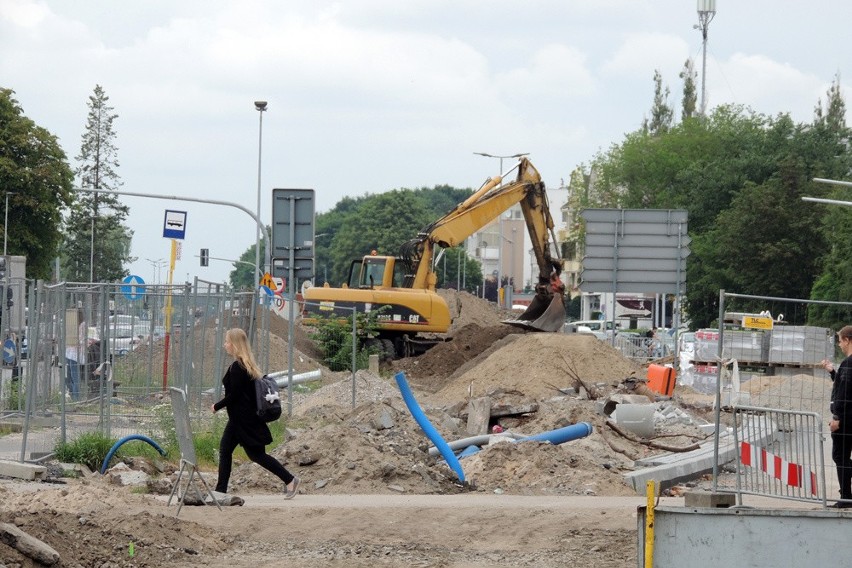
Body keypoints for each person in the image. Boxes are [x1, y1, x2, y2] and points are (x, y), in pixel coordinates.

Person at [212, 328, 300, 498]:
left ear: (235, 344)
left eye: (227, 342)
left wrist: (217, 406)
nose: (225, 345)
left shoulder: (238, 367)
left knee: (256, 455)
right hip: (241, 420)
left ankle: (290, 480)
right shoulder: (243, 365)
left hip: (244, 421)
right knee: (228, 451)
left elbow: (235, 395)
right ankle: (220, 490)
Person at [821, 325, 852, 508]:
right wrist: (833, 372)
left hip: (847, 419)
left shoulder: (849, 363)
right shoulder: (847, 366)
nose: (839, 345)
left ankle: (847, 498)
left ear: (847, 340)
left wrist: (837, 418)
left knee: (840, 456)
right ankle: (847, 495)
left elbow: (845, 393)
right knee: (842, 457)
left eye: (840, 341)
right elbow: (844, 384)